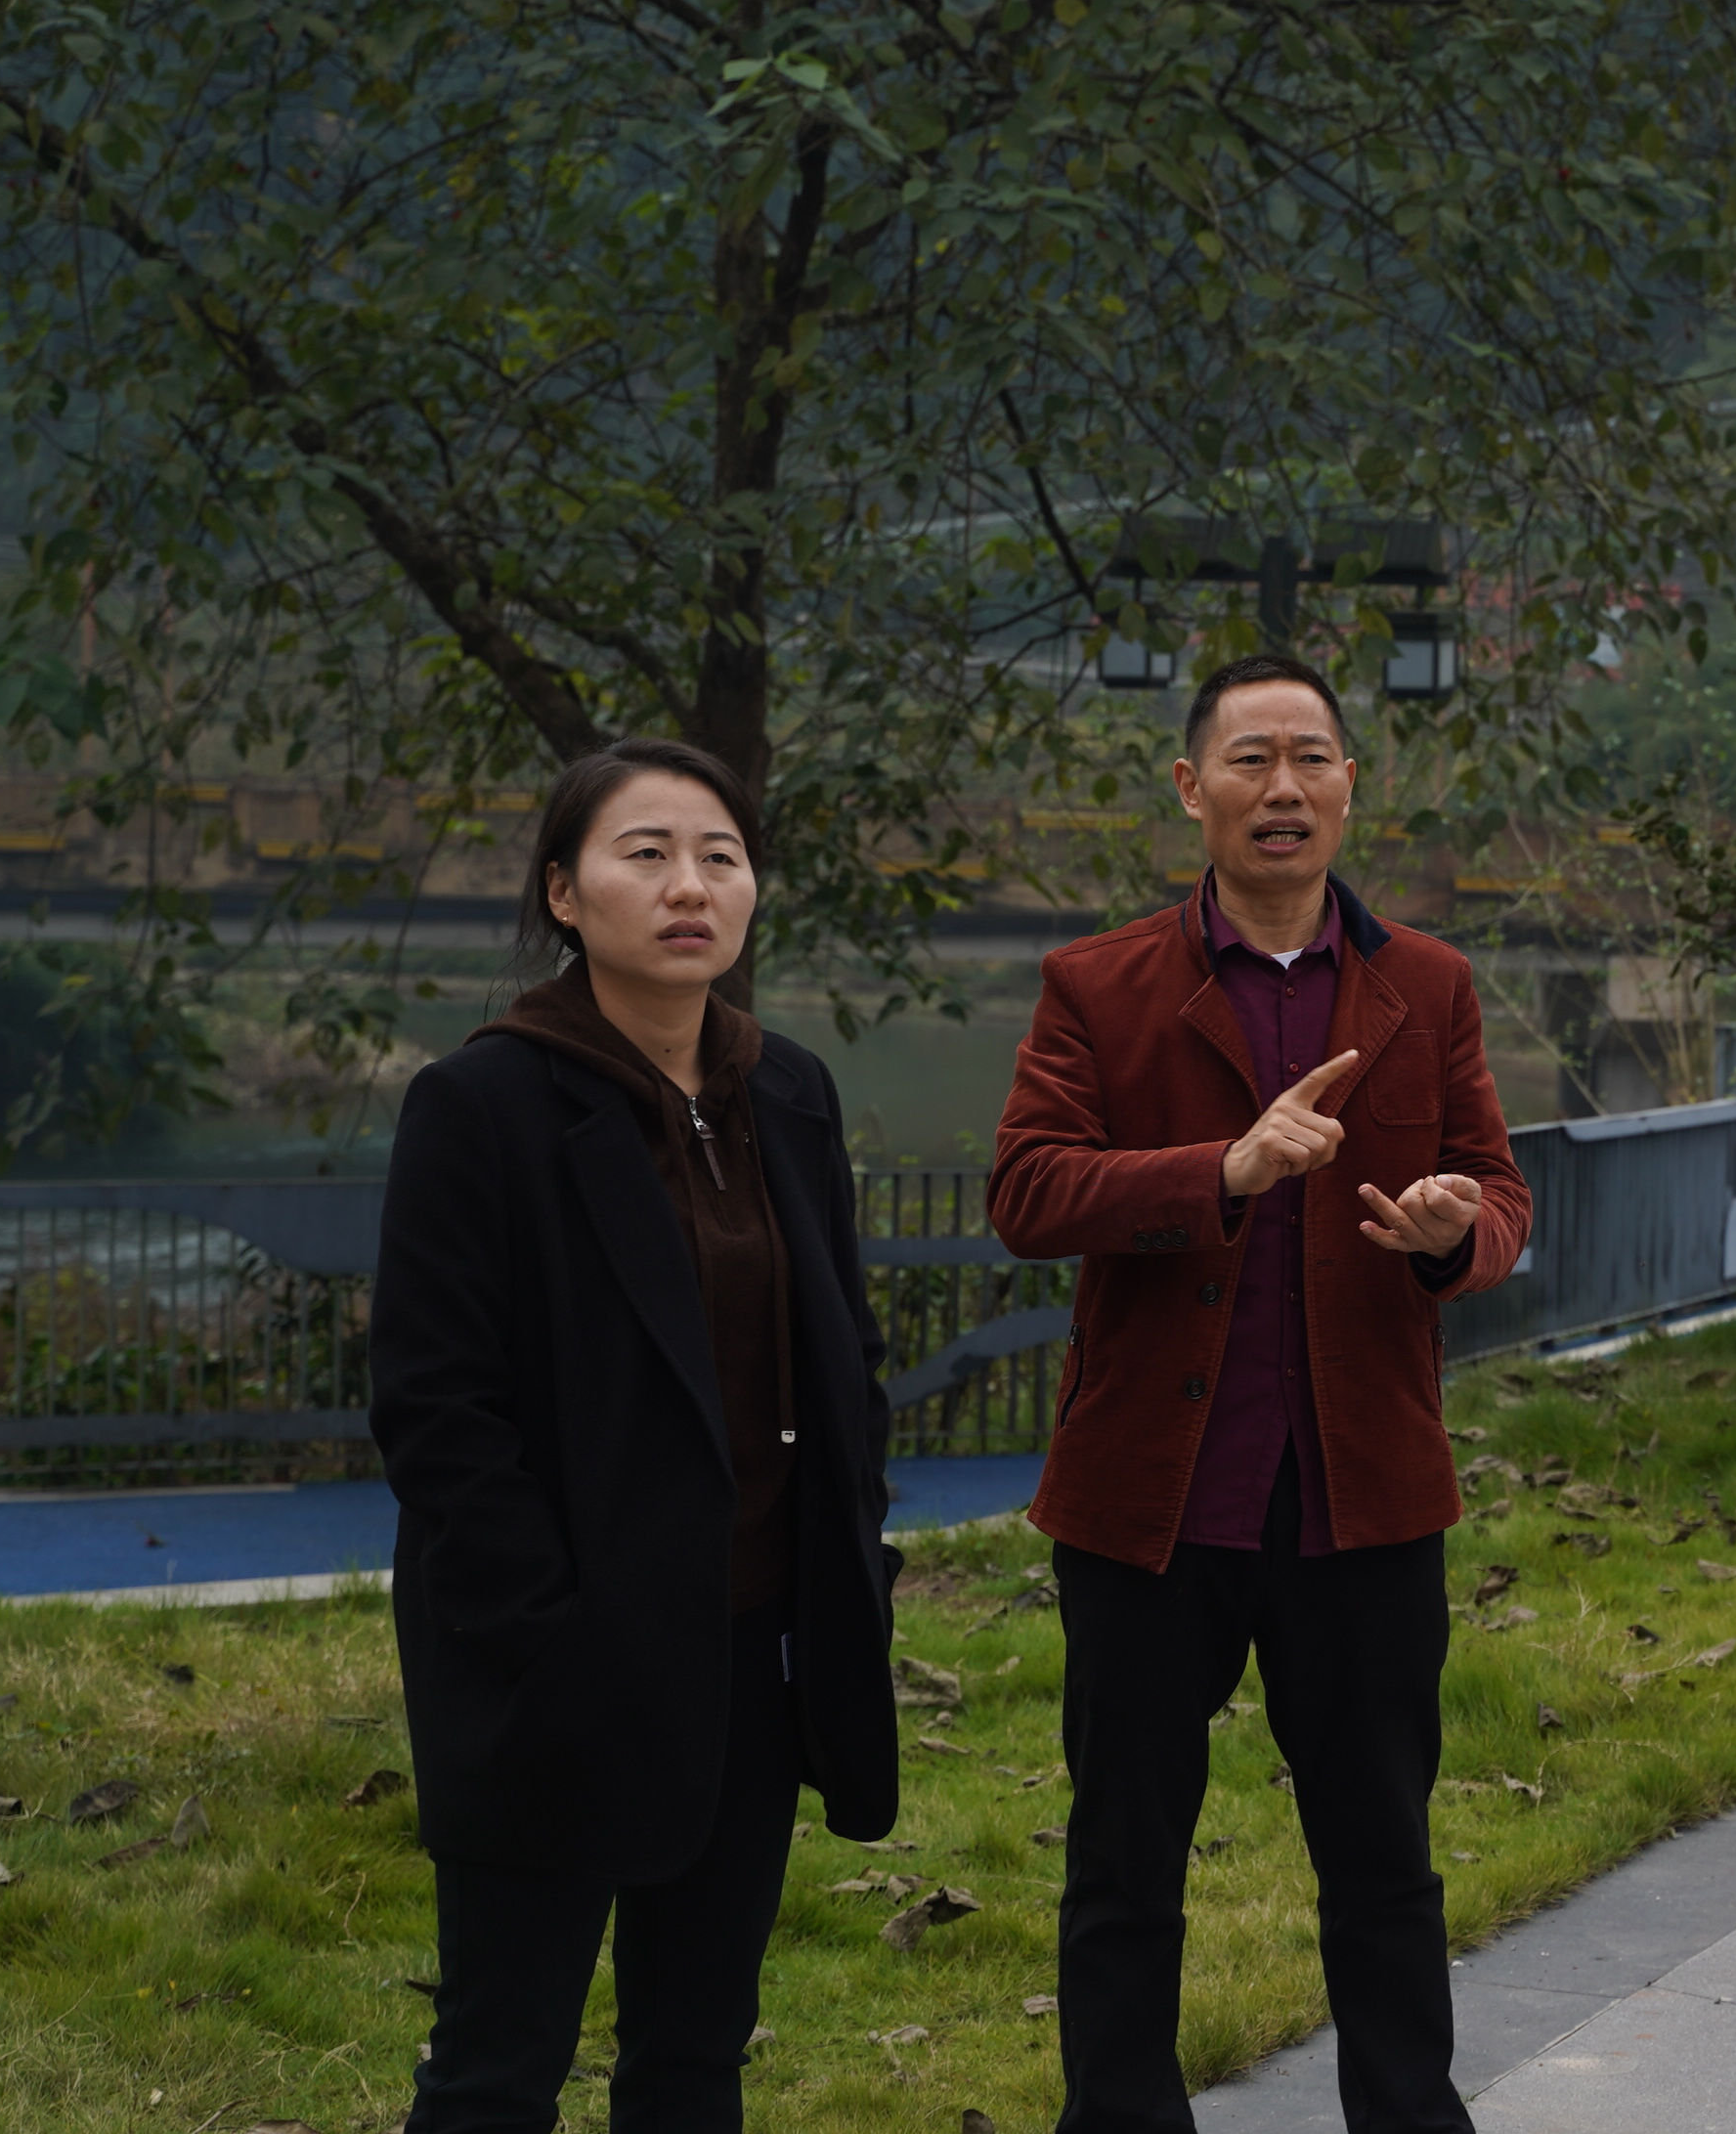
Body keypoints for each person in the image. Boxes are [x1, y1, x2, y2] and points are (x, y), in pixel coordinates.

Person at [989, 653, 1534, 2134]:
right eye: (1249, 760)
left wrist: (1452, 1234)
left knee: (1384, 1859)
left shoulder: (1429, 984)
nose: (1281, 788)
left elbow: (1499, 1190)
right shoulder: (1099, 984)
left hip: (1363, 1500)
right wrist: (1220, 1172)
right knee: (1124, 1861)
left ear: (1352, 783)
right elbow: (1028, 1192)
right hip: (1150, 1504)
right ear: (1193, 789)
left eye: (1310, 758)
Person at [374, 738, 902, 2132]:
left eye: (720, 857)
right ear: (564, 891)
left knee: (693, 2057)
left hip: (750, 1661)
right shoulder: (482, 1105)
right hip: (557, 1663)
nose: (690, 886)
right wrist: (541, 1629)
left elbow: (845, 1355)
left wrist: (854, 1554)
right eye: (647, 854)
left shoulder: (787, 1093)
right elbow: (435, 1406)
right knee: (499, 2064)